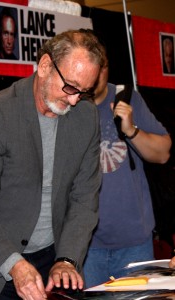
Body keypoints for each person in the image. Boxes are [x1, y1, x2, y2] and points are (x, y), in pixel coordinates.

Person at [0, 29, 105, 300]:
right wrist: (14, 264)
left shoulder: (86, 118)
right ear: (45, 66)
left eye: (84, 92)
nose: (75, 100)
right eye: (71, 87)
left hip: (49, 259)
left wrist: (66, 259)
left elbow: (85, 198)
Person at [83, 34, 172, 288]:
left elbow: (164, 152)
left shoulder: (126, 97)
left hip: (134, 243)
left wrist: (131, 129)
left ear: (105, 66)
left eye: (97, 67)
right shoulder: (71, 103)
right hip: (87, 246)